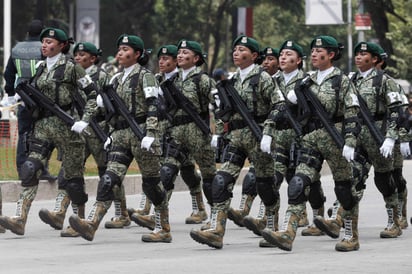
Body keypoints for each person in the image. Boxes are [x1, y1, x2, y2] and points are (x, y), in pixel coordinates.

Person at [262, 35, 362, 252]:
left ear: (331, 55)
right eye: (313, 51)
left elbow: (352, 112)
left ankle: (350, 235)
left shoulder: (341, 80)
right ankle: (287, 233)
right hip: (310, 139)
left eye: (320, 52)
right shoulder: (305, 81)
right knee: (298, 183)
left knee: (344, 189)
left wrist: (351, 141)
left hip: (335, 138)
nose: (315, 55)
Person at [68, 34, 169, 243]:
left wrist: (151, 133)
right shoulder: (115, 79)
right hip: (120, 135)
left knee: (152, 184)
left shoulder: (145, 76)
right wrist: (107, 131)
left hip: (141, 132)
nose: (120, 53)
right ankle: (91, 223)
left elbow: (154, 106)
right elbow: (108, 110)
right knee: (109, 179)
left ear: (137, 54)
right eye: (119, 49)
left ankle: (163, 227)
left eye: (125, 49)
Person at [0, 27, 97, 236]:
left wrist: (85, 121)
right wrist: (18, 98)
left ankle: (78, 221)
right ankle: (19, 218)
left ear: (62, 46)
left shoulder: (72, 68)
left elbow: (93, 96)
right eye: (43, 41)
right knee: (29, 168)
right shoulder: (41, 67)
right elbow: (34, 93)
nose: (44, 45)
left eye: (49, 42)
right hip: (43, 127)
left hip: (68, 128)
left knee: (72, 179)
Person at [190, 35, 282, 249]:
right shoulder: (230, 82)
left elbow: (279, 105)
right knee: (221, 181)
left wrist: (268, 132)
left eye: (242, 50)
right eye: (235, 49)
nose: (236, 53)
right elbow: (223, 112)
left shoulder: (263, 78)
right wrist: (219, 134)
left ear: (254, 56)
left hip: (259, 137)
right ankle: (216, 230)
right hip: (236, 138)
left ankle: (271, 226)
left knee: (265, 185)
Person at [329, 41, 404, 239]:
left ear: (375, 59)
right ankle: (340, 217)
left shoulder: (385, 81)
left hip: (378, 136)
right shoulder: (350, 80)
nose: (359, 57)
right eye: (357, 54)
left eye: (364, 54)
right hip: (356, 135)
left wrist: (390, 137)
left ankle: (394, 221)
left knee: (384, 181)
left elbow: (397, 111)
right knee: (353, 177)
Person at [3, 19, 56, 182]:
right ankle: (42, 170)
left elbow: (8, 74)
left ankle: (22, 169)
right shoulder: (45, 48)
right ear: (42, 33)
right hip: (42, 98)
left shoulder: (17, 49)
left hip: (23, 97)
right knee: (43, 135)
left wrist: (11, 94)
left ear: (28, 32)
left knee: (24, 133)